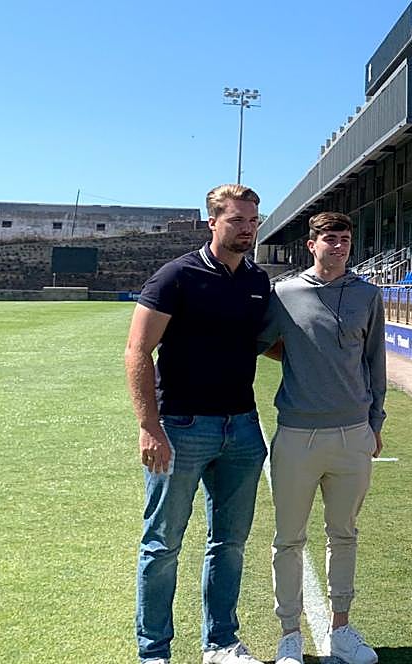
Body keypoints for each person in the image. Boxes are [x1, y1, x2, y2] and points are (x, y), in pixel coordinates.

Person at [125, 184, 271, 664]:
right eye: (237, 220)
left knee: (229, 543)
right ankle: (154, 652)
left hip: (243, 430)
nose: (247, 228)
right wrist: (150, 426)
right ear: (213, 221)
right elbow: (138, 351)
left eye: (252, 220)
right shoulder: (176, 276)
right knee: (163, 544)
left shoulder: (257, 280)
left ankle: (221, 642)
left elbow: (266, 343)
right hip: (182, 427)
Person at [258, 211, 386, 664]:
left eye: (346, 239)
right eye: (330, 239)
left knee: (344, 535)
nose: (339, 246)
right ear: (311, 244)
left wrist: (376, 422)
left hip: (353, 435)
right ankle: (289, 634)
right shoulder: (285, 293)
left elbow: (375, 362)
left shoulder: (368, 295)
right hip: (297, 434)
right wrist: (302, 362)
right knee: (288, 539)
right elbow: (261, 342)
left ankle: (342, 630)